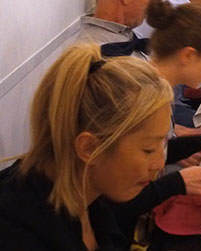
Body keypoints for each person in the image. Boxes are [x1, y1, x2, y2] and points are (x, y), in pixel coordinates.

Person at [0, 44, 173, 249]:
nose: (159, 163)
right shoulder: (17, 232)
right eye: (148, 149)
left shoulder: (90, 196)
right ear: (89, 148)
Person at [112, 0, 201, 242]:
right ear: (188, 55)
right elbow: (117, 200)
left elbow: (156, 152)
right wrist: (177, 183)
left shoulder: (155, 82)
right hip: (121, 229)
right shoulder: (140, 94)